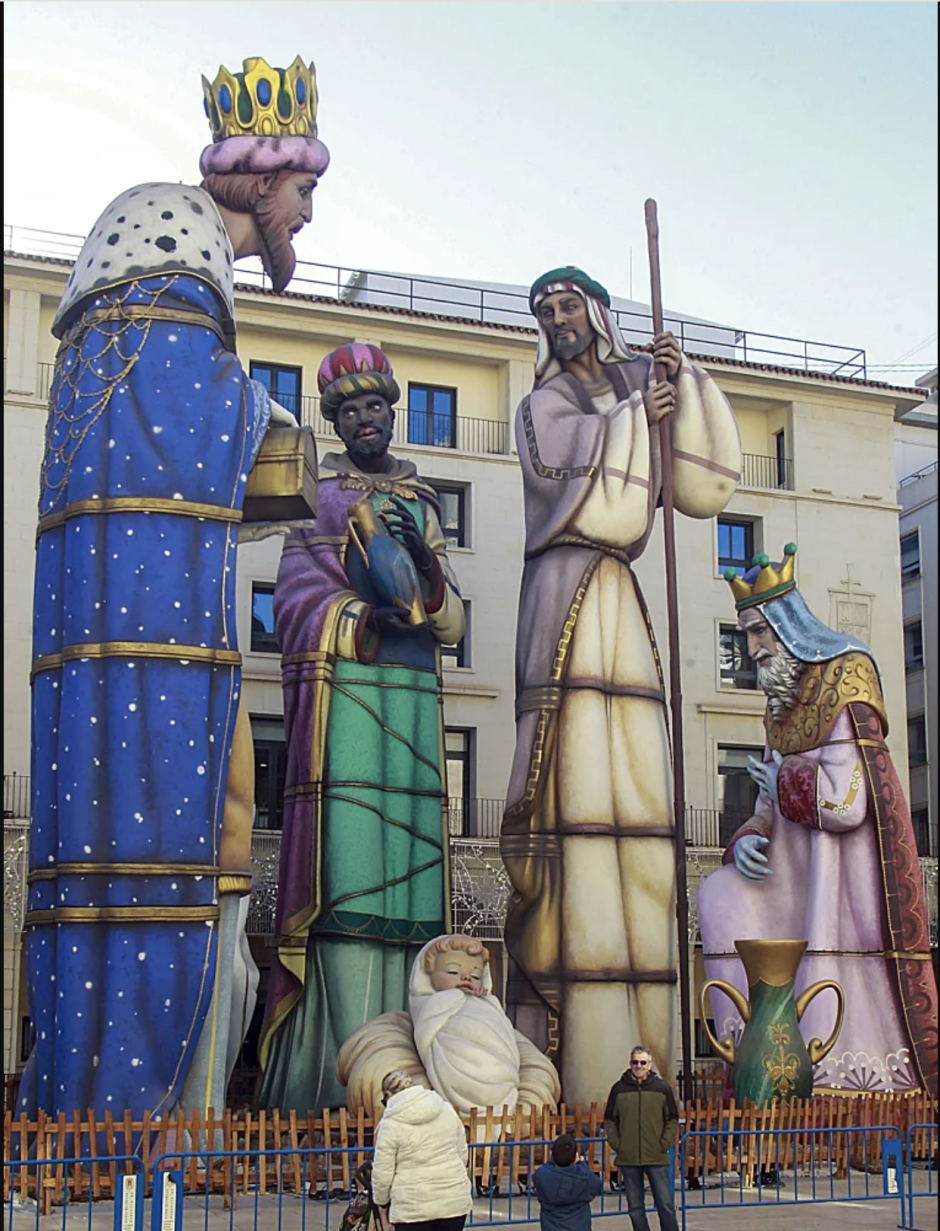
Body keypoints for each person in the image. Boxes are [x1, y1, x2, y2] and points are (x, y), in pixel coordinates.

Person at [22, 54, 329, 1120]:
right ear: (256, 177)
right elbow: (182, 413)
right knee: (166, 818)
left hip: (139, 591)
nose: (305, 213)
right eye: (304, 189)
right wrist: (277, 434)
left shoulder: (174, 261)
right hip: (146, 609)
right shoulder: (171, 255)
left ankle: (133, 1104)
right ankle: (127, 1117)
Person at [500, 266, 742, 1105]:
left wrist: (681, 377)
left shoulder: (634, 382)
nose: (560, 320)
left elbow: (704, 487)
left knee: (639, 798)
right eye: (548, 312)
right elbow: (577, 475)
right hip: (563, 596)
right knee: (578, 802)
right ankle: (587, 1043)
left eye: (571, 306)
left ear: (599, 313)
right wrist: (643, 415)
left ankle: (654, 1048)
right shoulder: (541, 405)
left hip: (620, 605)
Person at [258, 346, 466, 1111]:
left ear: (391, 412)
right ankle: (340, 1065)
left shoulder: (424, 497)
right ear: (335, 420)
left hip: (412, 691)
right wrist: (358, 612)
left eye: (375, 407)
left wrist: (424, 579)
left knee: (411, 878)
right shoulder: (320, 495)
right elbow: (293, 597)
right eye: (349, 411)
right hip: (347, 688)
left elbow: (450, 616)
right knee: (348, 871)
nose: (365, 420)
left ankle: (415, 1053)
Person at [697, 545, 939, 1095]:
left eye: (760, 632)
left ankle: (831, 1070)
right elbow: (765, 799)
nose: (753, 649)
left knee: (828, 960)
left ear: (789, 627)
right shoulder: (779, 698)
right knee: (717, 897)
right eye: (746, 635)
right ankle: (750, 1054)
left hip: (837, 879)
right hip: (786, 864)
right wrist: (750, 837)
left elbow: (848, 803)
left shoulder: (846, 680)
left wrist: (783, 784)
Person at [336, 934, 560, 1116]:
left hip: (500, 1076)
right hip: (455, 1072)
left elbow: (502, 1033)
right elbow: (426, 1027)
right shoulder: (434, 1004)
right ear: (427, 974)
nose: (465, 978)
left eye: (475, 975)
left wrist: (484, 1002)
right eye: (453, 972)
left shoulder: (487, 1004)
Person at [371, 1069, 473, 1231]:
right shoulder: (446, 1110)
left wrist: (381, 1203)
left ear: (389, 1095)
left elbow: (383, 1172)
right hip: (453, 1204)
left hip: (412, 1210)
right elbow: (462, 1154)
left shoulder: (390, 1124)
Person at [604, 1047, 679, 1231]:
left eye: (642, 1062)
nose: (638, 1066)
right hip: (629, 1157)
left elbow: (672, 1119)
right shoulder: (618, 1089)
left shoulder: (662, 1088)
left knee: (665, 1205)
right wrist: (618, 1145)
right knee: (635, 1208)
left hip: (656, 1156)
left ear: (649, 1065)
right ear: (630, 1064)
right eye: (635, 1062)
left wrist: (664, 1144)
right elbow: (610, 1120)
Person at [533, 1133, 603, 1231]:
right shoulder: (584, 1178)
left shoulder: (541, 1176)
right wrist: (580, 1163)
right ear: (575, 1157)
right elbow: (596, 1183)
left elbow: (541, 1170)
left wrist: (551, 1160)